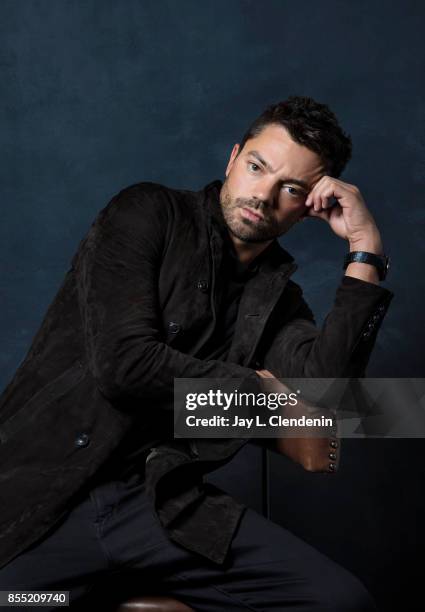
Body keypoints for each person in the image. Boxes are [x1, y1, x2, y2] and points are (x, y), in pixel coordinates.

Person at [0, 96, 393, 610]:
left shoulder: (278, 298)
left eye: (290, 188)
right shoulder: (147, 212)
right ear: (233, 159)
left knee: (339, 601)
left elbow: (329, 400)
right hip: (48, 494)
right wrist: (261, 393)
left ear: (308, 206)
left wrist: (365, 250)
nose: (264, 194)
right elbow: (126, 368)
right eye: (257, 167)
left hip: (159, 506)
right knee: (25, 601)